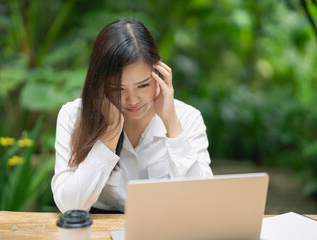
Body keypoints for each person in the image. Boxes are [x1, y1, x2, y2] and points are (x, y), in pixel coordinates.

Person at [51, 19, 213, 213]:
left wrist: (171, 123)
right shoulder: (74, 116)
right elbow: (69, 206)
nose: (132, 100)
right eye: (116, 88)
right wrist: (109, 135)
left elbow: (202, 201)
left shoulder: (187, 118)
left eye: (143, 85)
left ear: (158, 74)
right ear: (99, 84)